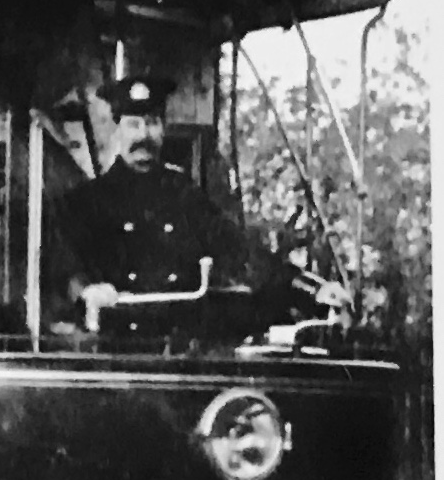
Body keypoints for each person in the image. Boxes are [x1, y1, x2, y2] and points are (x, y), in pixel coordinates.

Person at [51, 73, 346, 336]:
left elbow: (239, 252)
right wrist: (87, 290)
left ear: (163, 129)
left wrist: (311, 290)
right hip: (118, 351)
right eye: (133, 124)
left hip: (180, 348)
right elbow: (64, 269)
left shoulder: (185, 196)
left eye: (152, 123)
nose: (143, 135)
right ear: (116, 130)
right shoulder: (87, 202)